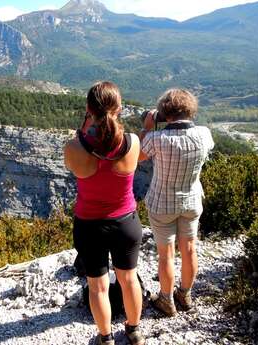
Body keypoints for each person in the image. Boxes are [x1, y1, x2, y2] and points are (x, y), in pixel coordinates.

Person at [64, 81, 145, 345]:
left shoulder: (74, 147)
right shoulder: (133, 143)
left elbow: (76, 166)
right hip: (126, 222)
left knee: (98, 286)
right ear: (119, 109)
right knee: (128, 279)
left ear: (88, 109)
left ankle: (106, 337)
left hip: (89, 226)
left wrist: (82, 131)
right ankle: (134, 332)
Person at [139, 88, 214, 317]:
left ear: (164, 113)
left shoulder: (155, 139)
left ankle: (166, 300)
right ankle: (185, 294)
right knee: (190, 250)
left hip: (162, 203)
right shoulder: (204, 134)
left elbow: (137, 156)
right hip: (191, 201)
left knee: (167, 255)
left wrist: (147, 127)